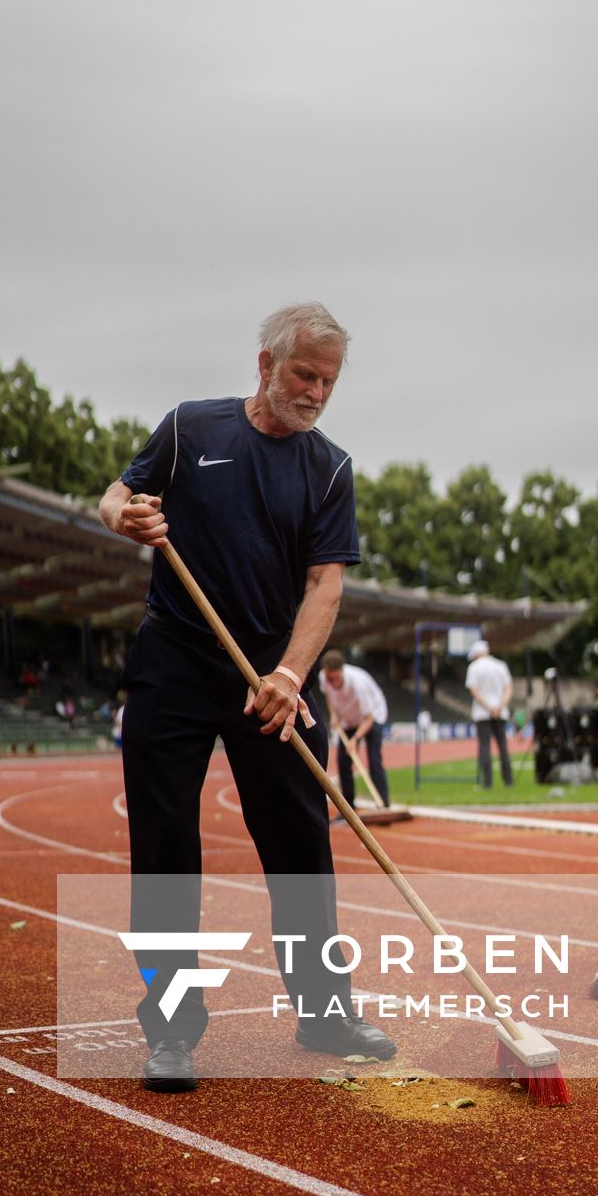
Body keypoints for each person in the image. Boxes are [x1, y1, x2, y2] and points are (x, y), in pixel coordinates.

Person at [99, 302, 395, 1091]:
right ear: (265, 364)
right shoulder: (191, 430)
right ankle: (171, 1032)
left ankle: (325, 1015)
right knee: (165, 849)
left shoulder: (329, 467)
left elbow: (326, 586)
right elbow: (114, 496)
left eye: (330, 380)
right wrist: (126, 515)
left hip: (272, 667)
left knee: (302, 847)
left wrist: (290, 678)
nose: (318, 392)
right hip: (175, 656)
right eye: (306, 374)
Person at [319, 649, 390, 808]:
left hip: (373, 716)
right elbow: (329, 696)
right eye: (329, 678)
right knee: (343, 762)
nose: (332, 682)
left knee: (374, 760)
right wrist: (334, 714)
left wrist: (355, 739)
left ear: (342, 671)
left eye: (335, 678)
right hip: (348, 719)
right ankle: (349, 807)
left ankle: (383, 805)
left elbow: (369, 718)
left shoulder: (358, 684)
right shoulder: (324, 677)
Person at [465, 638, 514, 789]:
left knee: (485, 747)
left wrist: (488, 707)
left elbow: (473, 690)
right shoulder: (501, 665)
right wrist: (499, 707)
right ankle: (508, 781)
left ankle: (487, 782)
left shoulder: (474, 667)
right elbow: (508, 688)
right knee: (503, 747)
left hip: (482, 713)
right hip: (500, 712)